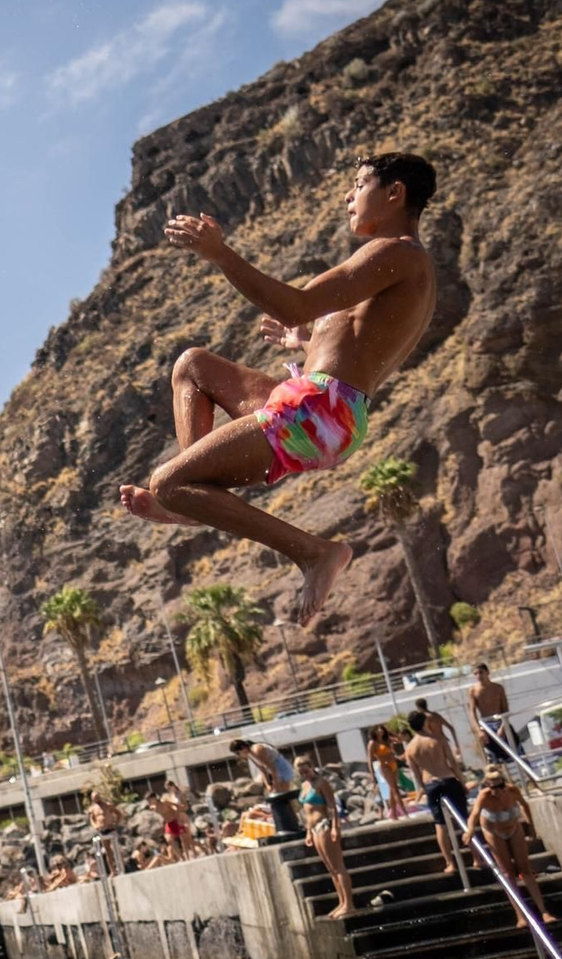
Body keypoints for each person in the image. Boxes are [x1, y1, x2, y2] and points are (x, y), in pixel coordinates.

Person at [116, 154, 441, 626]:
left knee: (167, 481)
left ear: (395, 194)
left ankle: (314, 553)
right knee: (194, 366)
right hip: (322, 405)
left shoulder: (399, 253)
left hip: (322, 409)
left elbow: (295, 303)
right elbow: (358, 347)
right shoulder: (401, 266)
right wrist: (306, 343)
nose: (348, 197)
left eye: (358, 185)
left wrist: (220, 253)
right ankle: (193, 503)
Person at [462, 765, 556, 928]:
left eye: (499, 787)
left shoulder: (512, 791)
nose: (495, 791)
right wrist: (470, 829)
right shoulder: (484, 796)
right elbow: (474, 814)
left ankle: (543, 911)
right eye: (490, 787)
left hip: (513, 827)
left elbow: (525, 805)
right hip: (493, 831)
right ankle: (520, 915)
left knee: (525, 869)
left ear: (504, 784)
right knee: (507, 874)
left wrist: (530, 824)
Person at [405, 711, 479, 875]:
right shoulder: (438, 739)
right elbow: (452, 763)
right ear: (425, 722)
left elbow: (416, 775)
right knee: (464, 821)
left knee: (440, 824)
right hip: (448, 779)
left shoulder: (410, 748)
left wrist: (423, 788)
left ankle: (450, 863)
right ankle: (476, 857)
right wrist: (462, 782)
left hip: (431, 783)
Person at [296, 756, 354, 918]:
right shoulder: (304, 785)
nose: (305, 774)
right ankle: (342, 902)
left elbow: (332, 807)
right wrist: (308, 831)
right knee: (330, 869)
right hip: (313, 828)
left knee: (337, 866)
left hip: (324, 826)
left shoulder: (321, 782)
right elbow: (306, 811)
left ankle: (349, 904)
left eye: (306, 770)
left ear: (312, 766)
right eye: (301, 772)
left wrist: (335, 826)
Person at [232, 738, 301, 840]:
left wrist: (276, 783)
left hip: (280, 767)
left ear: (243, 748)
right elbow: (263, 770)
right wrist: (268, 784)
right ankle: (287, 822)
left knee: (283, 795)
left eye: (238, 753)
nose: (239, 756)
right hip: (273, 771)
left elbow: (271, 766)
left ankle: (293, 823)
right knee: (276, 794)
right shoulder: (250, 755)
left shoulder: (257, 750)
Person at [465, 665, 521, 763]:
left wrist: (503, 726)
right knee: (494, 759)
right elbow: (472, 712)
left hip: (500, 721)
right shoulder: (473, 691)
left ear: (487, 672)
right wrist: (479, 731)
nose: (479, 676)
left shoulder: (498, 688)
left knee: (518, 752)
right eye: (475, 674)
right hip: (486, 725)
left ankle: (531, 777)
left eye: (481, 672)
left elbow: (505, 709)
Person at [412, 697, 469, 766]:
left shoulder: (425, 719)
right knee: (452, 764)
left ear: (419, 707)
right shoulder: (436, 715)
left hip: (435, 744)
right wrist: (456, 745)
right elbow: (451, 728)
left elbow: (427, 732)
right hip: (444, 740)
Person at [368, 724, 407, 820]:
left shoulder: (387, 740)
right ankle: (404, 812)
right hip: (385, 767)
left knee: (391, 790)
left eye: (381, 729)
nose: (380, 730)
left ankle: (393, 814)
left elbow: (400, 740)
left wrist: (390, 731)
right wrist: (372, 775)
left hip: (393, 765)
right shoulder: (373, 743)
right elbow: (369, 759)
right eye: (377, 729)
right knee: (395, 789)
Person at [152, 781, 196, 860]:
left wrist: (180, 807)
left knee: (187, 837)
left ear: (173, 786)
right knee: (182, 838)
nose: (169, 790)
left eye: (169, 788)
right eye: (167, 789)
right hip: (176, 816)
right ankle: (187, 857)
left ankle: (194, 853)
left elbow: (185, 806)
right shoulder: (170, 796)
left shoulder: (180, 794)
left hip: (182, 815)